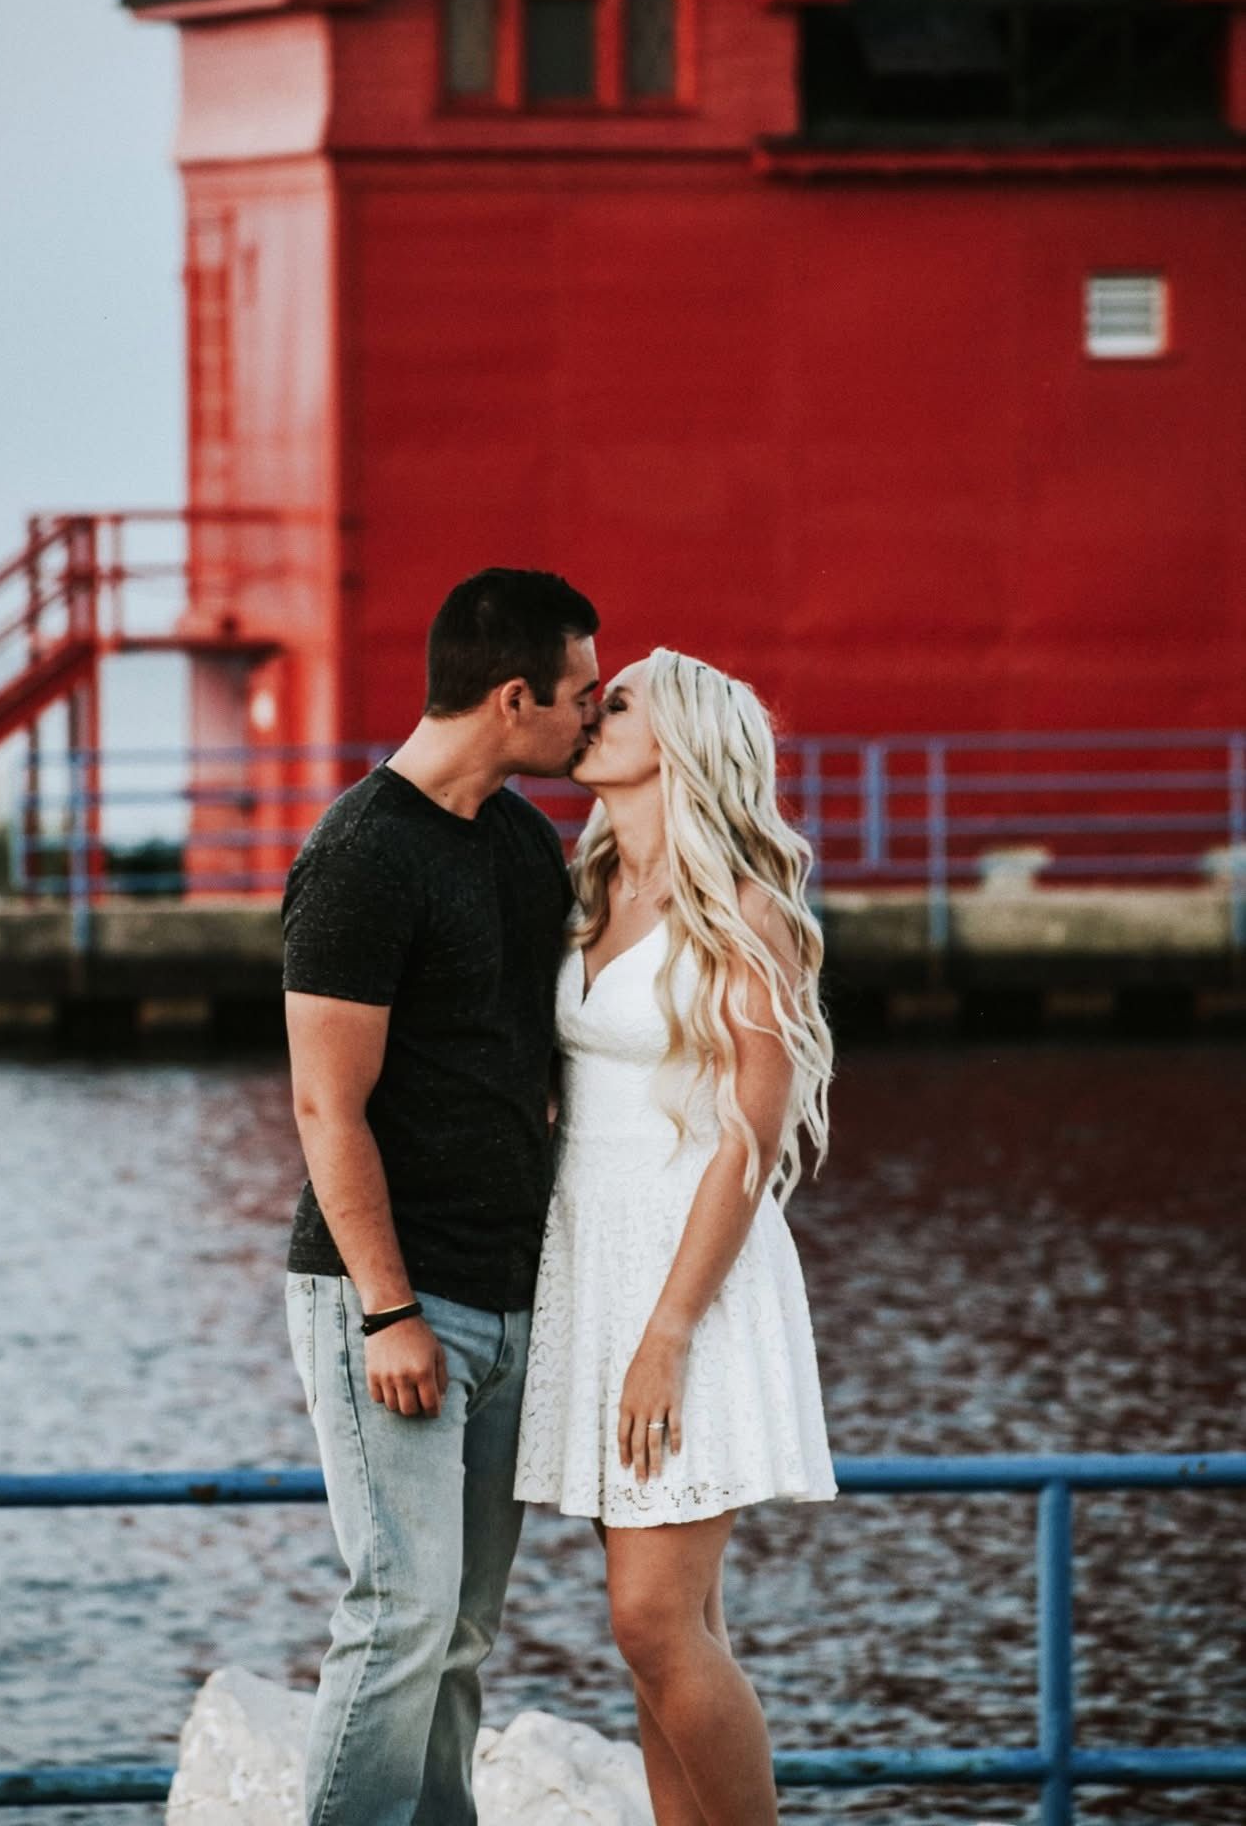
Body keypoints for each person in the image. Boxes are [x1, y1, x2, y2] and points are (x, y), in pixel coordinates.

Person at [281, 567, 600, 1826]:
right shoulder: (363, 855)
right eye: (580, 695)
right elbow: (325, 1106)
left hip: (508, 1296)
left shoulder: (524, 842)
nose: (593, 715)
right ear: (514, 695)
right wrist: (386, 1310)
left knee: (461, 1628)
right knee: (400, 1611)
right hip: (395, 1300)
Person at [514, 647, 837, 1826]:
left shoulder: (750, 909)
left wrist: (669, 1330)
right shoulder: (585, 888)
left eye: (622, 699)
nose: (594, 710)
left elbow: (748, 1144)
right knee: (669, 1628)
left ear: (686, 739)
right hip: (587, 1259)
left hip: (688, 1276)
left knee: (652, 1617)